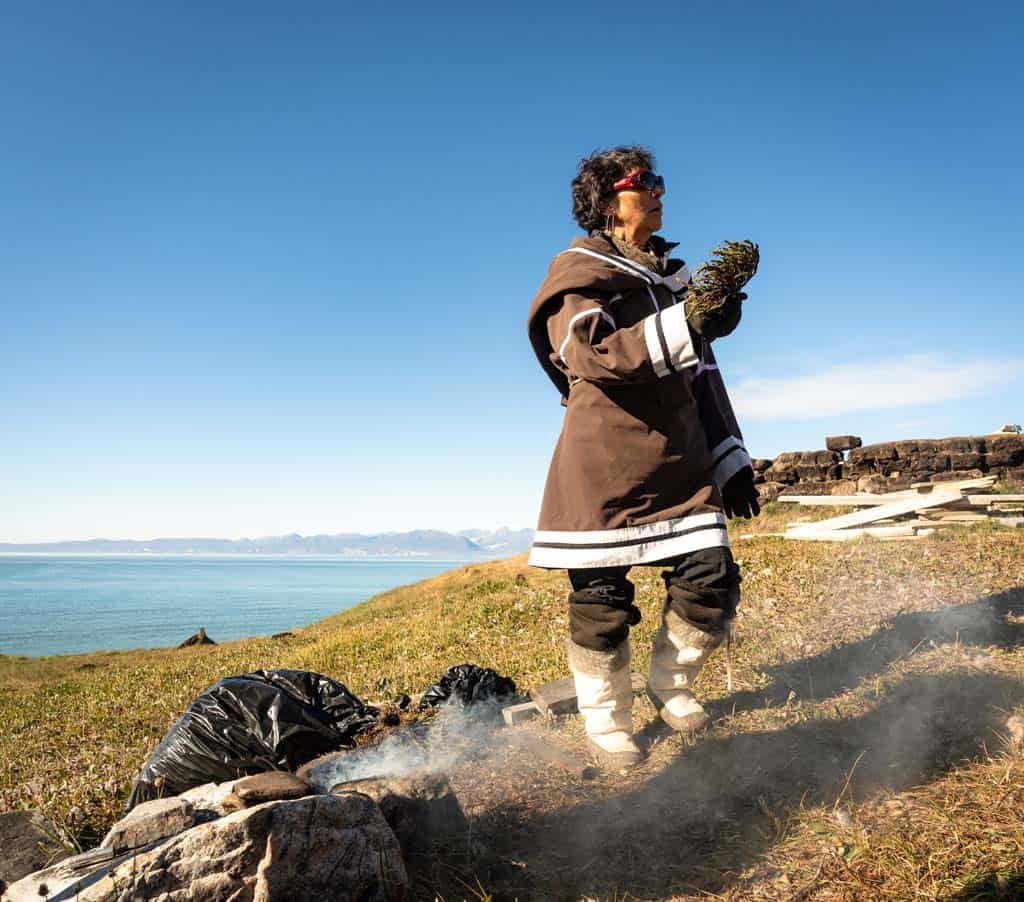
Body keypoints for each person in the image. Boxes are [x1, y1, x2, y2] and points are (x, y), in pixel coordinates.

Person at [526, 146, 760, 769]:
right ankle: (606, 718)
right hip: (604, 465)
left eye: (659, 180)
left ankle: (670, 682)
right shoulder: (578, 272)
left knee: (710, 579)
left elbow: (703, 376)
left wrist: (729, 457)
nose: (657, 190)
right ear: (607, 201)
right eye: (641, 183)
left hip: (680, 463)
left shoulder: (671, 283)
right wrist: (689, 321)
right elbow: (590, 352)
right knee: (602, 599)